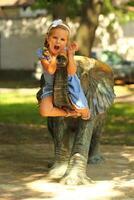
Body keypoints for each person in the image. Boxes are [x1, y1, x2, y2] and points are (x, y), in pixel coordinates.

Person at [37, 19, 90, 120]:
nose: (58, 41)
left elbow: (72, 72)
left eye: (62, 40)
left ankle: (85, 111)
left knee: (79, 107)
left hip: (69, 84)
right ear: (47, 38)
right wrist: (54, 57)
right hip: (50, 87)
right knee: (44, 110)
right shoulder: (43, 53)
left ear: (66, 42)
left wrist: (70, 55)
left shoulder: (66, 51)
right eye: (55, 37)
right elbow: (51, 71)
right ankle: (67, 113)